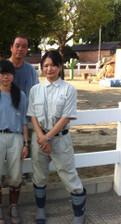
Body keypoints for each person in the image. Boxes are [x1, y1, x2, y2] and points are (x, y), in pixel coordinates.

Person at [27, 50, 86, 224]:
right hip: (39, 140)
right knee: (39, 176)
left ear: (60, 66)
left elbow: (66, 116)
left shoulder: (69, 89)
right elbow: (33, 116)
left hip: (60, 140)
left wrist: (48, 138)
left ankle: (79, 214)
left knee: (69, 175)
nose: (49, 68)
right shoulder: (35, 90)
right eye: (45, 65)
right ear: (41, 67)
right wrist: (41, 137)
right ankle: (40, 210)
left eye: (53, 65)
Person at [0, 34, 39, 183]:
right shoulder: (1, 67)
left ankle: (25, 175)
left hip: (24, 120)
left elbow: (37, 94)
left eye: (24, 46)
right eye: (17, 45)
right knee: (0, 153)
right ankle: (1, 178)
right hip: (2, 119)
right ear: (11, 48)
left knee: (23, 150)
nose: (20, 49)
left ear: (27, 49)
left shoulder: (30, 70)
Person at [0, 60, 29, 224]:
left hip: (16, 138)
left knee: (16, 175)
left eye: (8, 73)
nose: (5, 77)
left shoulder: (20, 95)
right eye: (1, 74)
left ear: (13, 76)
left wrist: (26, 144)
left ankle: (13, 206)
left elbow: (24, 122)